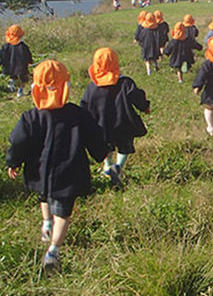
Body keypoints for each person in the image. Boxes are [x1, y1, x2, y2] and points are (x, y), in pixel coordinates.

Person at [6, 60, 108, 273]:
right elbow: (94, 137)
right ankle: (53, 250)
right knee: (63, 211)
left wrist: (13, 162)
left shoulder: (30, 117)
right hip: (69, 172)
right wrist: (102, 154)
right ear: (65, 87)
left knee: (44, 195)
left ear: (36, 88)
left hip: (39, 171)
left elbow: (18, 142)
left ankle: (46, 224)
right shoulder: (77, 114)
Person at [81, 48, 150, 184]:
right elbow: (137, 97)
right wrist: (145, 107)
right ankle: (118, 167)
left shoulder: (92, 87)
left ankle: (107, 165)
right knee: (124, 146)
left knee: (105, 146)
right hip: (124, 123)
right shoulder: (125, 83)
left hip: (101, 125)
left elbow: (84, 106)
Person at [1, 25, 33, 97]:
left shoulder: (6, 46)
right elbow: (28, 56)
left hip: (9, 67)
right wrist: (30, 62)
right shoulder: (22, 46)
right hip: (21, 68)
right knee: (23, 80)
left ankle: (11, 86)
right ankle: (20, 91)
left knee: (13, 77)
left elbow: (2, 56)